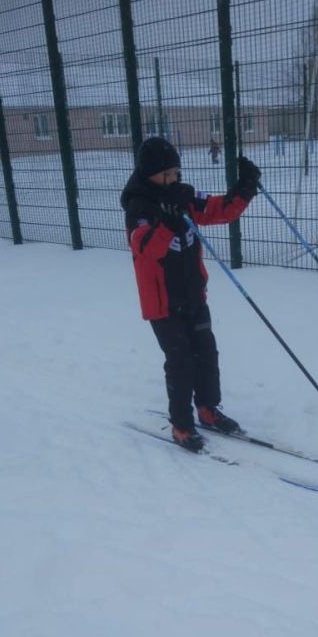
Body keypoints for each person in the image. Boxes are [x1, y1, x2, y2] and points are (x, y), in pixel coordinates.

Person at [121, 136, 261, 452]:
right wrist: (168, 223)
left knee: (206, 353)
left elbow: (218, 210)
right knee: (181, 361)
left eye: (175, 172)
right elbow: (143, 248)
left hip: (194, 295)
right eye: (165, 174)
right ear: (148, 174)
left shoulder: (181, 197)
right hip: (162, 304)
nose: (172, 179)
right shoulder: (139, 206)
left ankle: (208, 410)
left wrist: (245, 188)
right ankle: (182, 425)